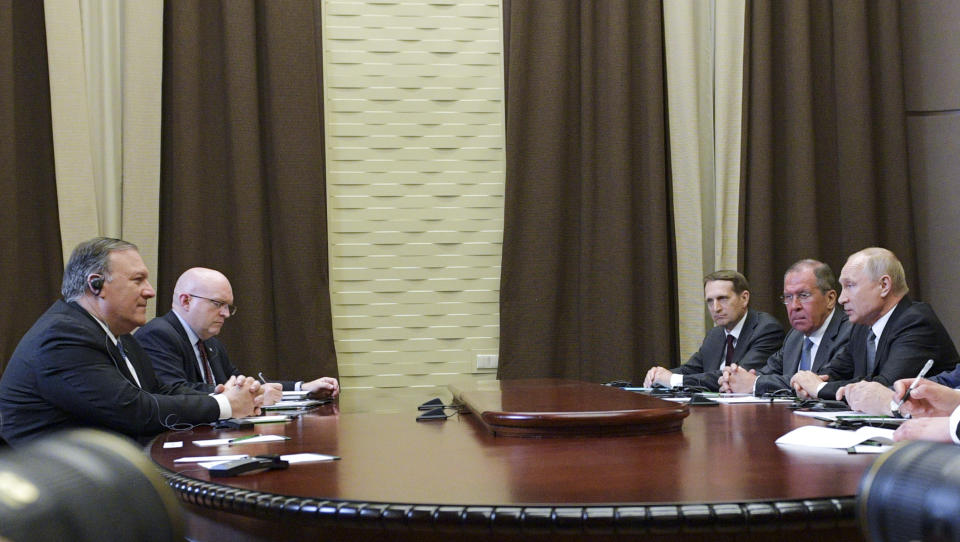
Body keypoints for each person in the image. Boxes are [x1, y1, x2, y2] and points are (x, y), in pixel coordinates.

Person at [0, 238, 262, 446]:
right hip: (61, 488)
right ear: (96, 284)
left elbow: (159, 391)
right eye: (138, 280)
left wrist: (222, 394)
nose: (150, 291)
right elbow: (134, 410)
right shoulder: (63, 336)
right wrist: (225, 405)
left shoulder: (117, 334)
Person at [136, 267, 339, 405]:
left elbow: (246, 386)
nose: (225, 313)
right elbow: (174, 392)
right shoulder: (158, 334)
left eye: (228, 306)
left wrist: (303, 389)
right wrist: (244, 396)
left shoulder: (211, 344)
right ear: (186, 301)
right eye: (218, 304)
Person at [792, 247, 957, 400]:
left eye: (850, 286)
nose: (842, 299)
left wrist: (820, 388)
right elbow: (835, 371)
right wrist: (808, 382)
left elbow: (885, 387)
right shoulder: (862, 326)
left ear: (884, 285)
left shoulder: (916, 322)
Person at [719, 260, 851, 395]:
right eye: (788, 297)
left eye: (803, 295)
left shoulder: (849, 332)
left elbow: (817, 382)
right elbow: (767, 372)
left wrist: (754, 384)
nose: (794, 306)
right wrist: (734, 380)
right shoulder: (795, 336)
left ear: (830, 298)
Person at [643, 270, 784, 391]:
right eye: (710, 301)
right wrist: (658, 375)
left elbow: (735, 378)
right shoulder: (715, 334)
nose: (715, 308)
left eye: (722, 299)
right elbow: (690, 369)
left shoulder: (766, 329)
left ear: (744, 298)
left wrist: (672, 380)